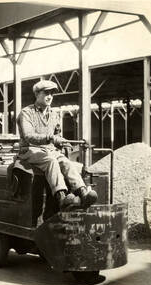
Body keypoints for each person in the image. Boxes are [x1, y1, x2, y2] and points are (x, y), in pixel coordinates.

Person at [16, 80, 97, 210]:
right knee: (51, 161)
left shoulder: (53, 114)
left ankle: (83, 193)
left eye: (52, 94)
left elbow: (56, 135)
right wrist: (51, 138)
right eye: (46, 93)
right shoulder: (26, 113)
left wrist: (63, 142)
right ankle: (62, 197)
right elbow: (28, 136)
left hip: (49, 150)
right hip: (29, 150)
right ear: (37, 94)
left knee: (66, 162)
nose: (50, 97)